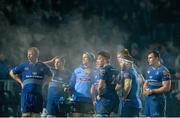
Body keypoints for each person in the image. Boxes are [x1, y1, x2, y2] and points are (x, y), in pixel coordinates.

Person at [9, 47, 52, 117]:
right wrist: (20, 82)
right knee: (26, 115)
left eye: (30, 54)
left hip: (38, 95)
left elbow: (51, 75)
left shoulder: (43, 66)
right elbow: (11, 72)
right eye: (28, 54)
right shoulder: (24, 65)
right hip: (26, 95)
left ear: (36, 55)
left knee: (36, 115)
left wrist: (44, 83)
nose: (28, 56)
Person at [143, 50, 171, 117]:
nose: (148, 60)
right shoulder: (149, 69)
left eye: (150, 58)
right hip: (148, 100)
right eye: (148, 58)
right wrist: (144, 90)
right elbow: (146, 83)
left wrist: (152, 91)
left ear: (157, 58)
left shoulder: (164, 71)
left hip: (158, 100)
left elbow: (167, 88)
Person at [68, 51, 96, 116]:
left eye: (85, 57)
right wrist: (68, 90)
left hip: (89, 100)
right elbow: (71, 85)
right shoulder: (77, 70)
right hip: (77, 99)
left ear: (90, 59)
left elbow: (97, 86)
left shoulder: (95, 71)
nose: (83, 59)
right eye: (82, 57)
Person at [116, 49, 142, 117]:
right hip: (135, 101)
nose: (118, 60)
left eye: (119, 58)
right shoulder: (132, 69)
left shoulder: (128, 70)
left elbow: (127, 86)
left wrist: (124, 97)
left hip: (129, 101)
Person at [95, 51, 119, 117]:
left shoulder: (104, 70)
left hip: (105, 99)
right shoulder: (116, 70)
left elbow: (100, 87)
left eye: (99, 58)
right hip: (115, 99)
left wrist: (99, 95)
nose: (97, 61)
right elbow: (119, 85)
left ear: (104, 59)